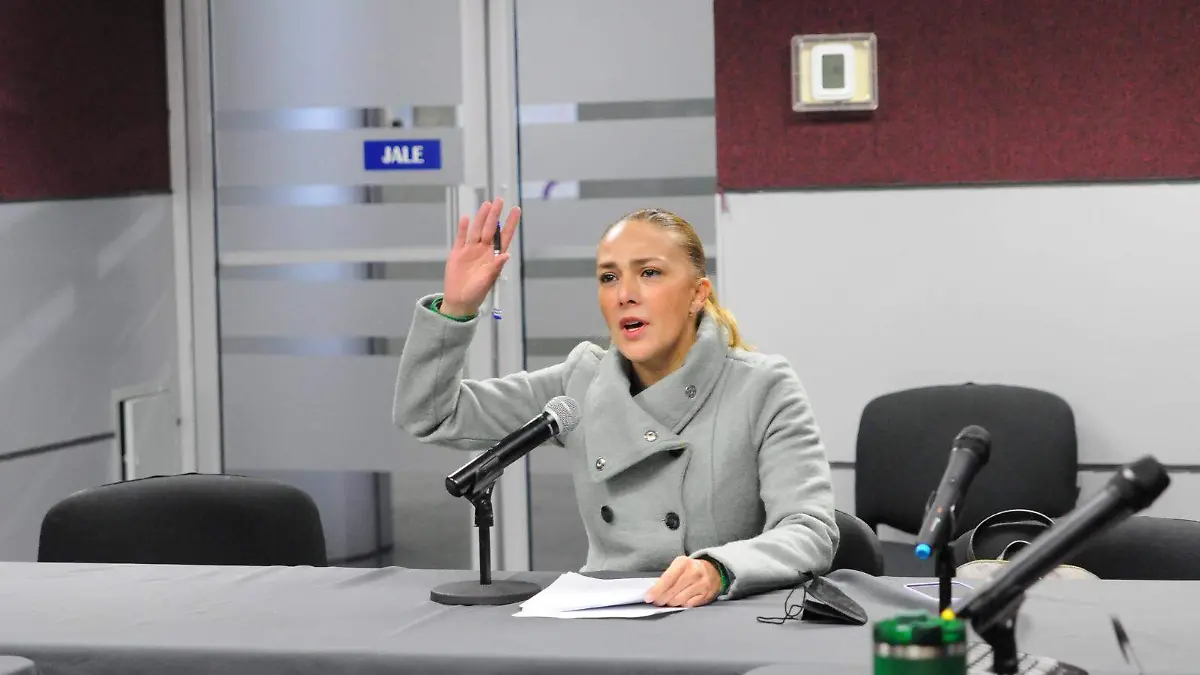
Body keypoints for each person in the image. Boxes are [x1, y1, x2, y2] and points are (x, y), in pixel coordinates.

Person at [393, 198, 839, 607]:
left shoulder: (762, 386)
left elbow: (809, 530)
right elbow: (431, 415)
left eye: (650, 273)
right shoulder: (580, 383)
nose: (625, 293)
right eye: (609, 277)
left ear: (697, 294)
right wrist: (456, 309)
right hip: (605, 617)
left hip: (720, 616)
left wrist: (719, 570)